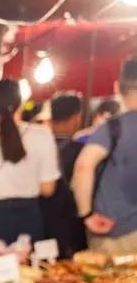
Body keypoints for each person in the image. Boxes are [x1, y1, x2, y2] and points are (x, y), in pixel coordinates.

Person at [0, 79, 59, 266]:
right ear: (21, 104)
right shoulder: (42, 135)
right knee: (27, 277)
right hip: (29, 216)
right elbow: (48, 189)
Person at [72, 59, 137, 254]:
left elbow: (83, 166)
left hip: (115, 233)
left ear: (118, 87)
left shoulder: (113, 128)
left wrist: (86, 214)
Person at [43, 92, 88, 258]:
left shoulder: (37, 146)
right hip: (71, 229)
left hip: (38, 223)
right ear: (76, 117)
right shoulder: (81, 152)